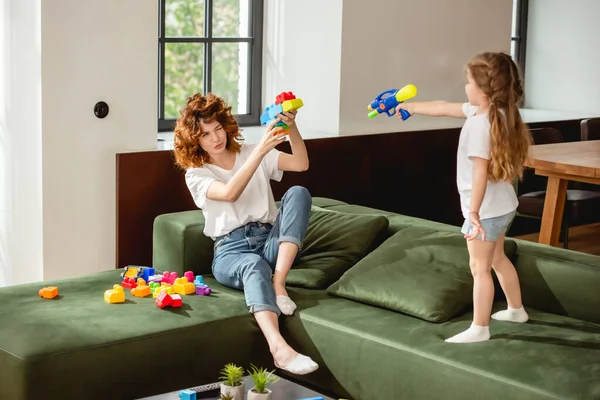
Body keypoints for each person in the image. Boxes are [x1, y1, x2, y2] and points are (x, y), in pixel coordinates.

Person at [173, 93, 318, 373]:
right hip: (232, 251)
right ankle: (279, 349)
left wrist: (291, 127)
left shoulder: (251, 150)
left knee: (299, 192)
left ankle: (279, 283)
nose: (215, 138)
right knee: (253, 265)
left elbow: (301, 164)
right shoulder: (197, 173)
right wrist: (261, 151)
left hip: (272, 245)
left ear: (225, 126)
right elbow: (229, 193)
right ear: (195, 140)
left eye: (217, 129)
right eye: (205, 135)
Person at [396, 52, 532, 343]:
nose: (465, 86)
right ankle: (516, 309)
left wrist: (473, 213)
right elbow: (442, 107)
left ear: (484, 89)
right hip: (503, 205)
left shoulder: (481, 126)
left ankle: (479, 328)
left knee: (478, 268)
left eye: (469, 81)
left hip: (484, 211)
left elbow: (480, 173)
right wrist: (408, 106)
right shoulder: (494, 113)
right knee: (496, 259)